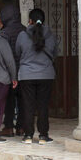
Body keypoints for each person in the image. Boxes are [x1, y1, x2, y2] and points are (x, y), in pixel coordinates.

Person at [16, 8, 57, 145]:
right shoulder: (50, 35)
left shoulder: (22, 35)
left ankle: (28, 135)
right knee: (43, 106)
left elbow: (18, 52)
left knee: (28, 105)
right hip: (46, 75)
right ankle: (43, 136)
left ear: (30, 20)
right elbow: (55, 53)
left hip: (26, 75)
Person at [0, 4, 26, 137]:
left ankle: (9, 127)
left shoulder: (4, 33)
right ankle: (21, 127)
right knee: (23, 101)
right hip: (24, 71)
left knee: (9, 101)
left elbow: (3, 54)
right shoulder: (25, 30)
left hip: (9, 72)